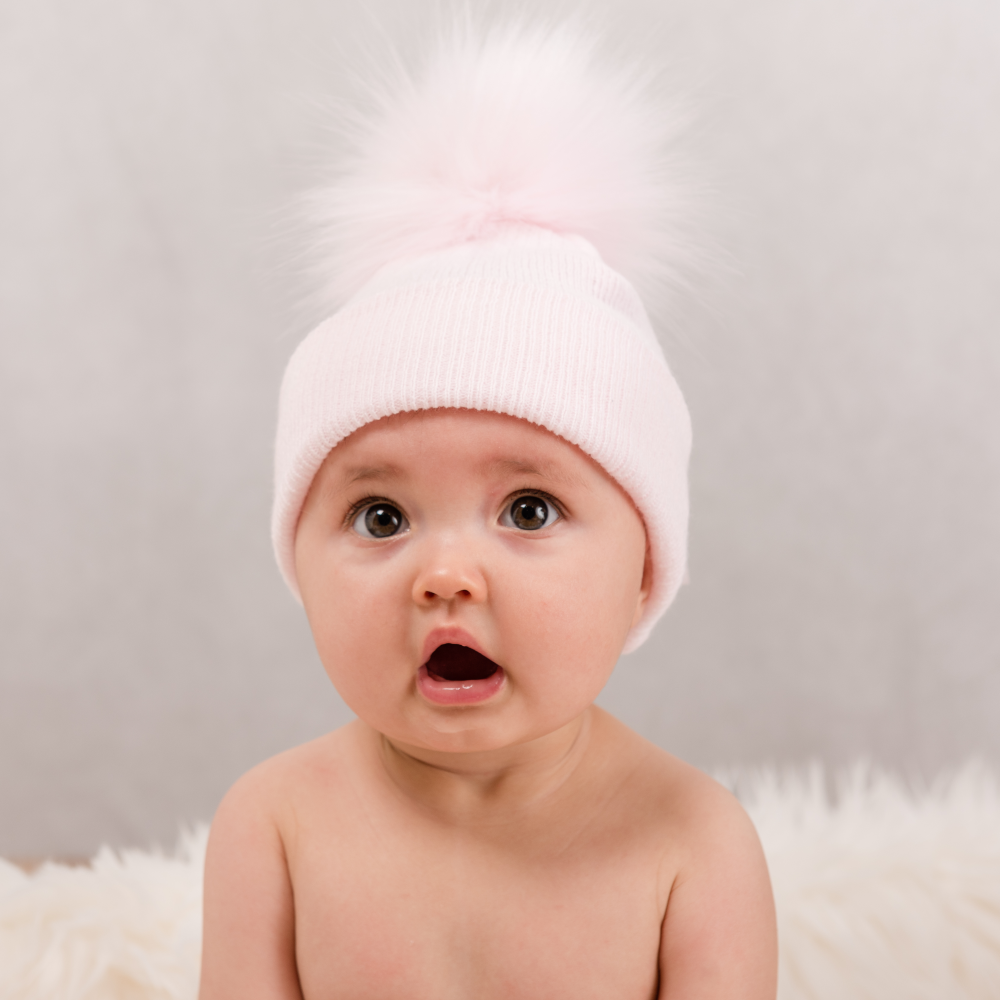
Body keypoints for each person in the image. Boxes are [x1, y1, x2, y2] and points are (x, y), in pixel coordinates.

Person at [199, 19, 777, 999]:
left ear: (644, 570)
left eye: (528, 508)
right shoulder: (275, 826)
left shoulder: (693, 845)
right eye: (381, 518)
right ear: (296, 565)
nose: (446, 575)